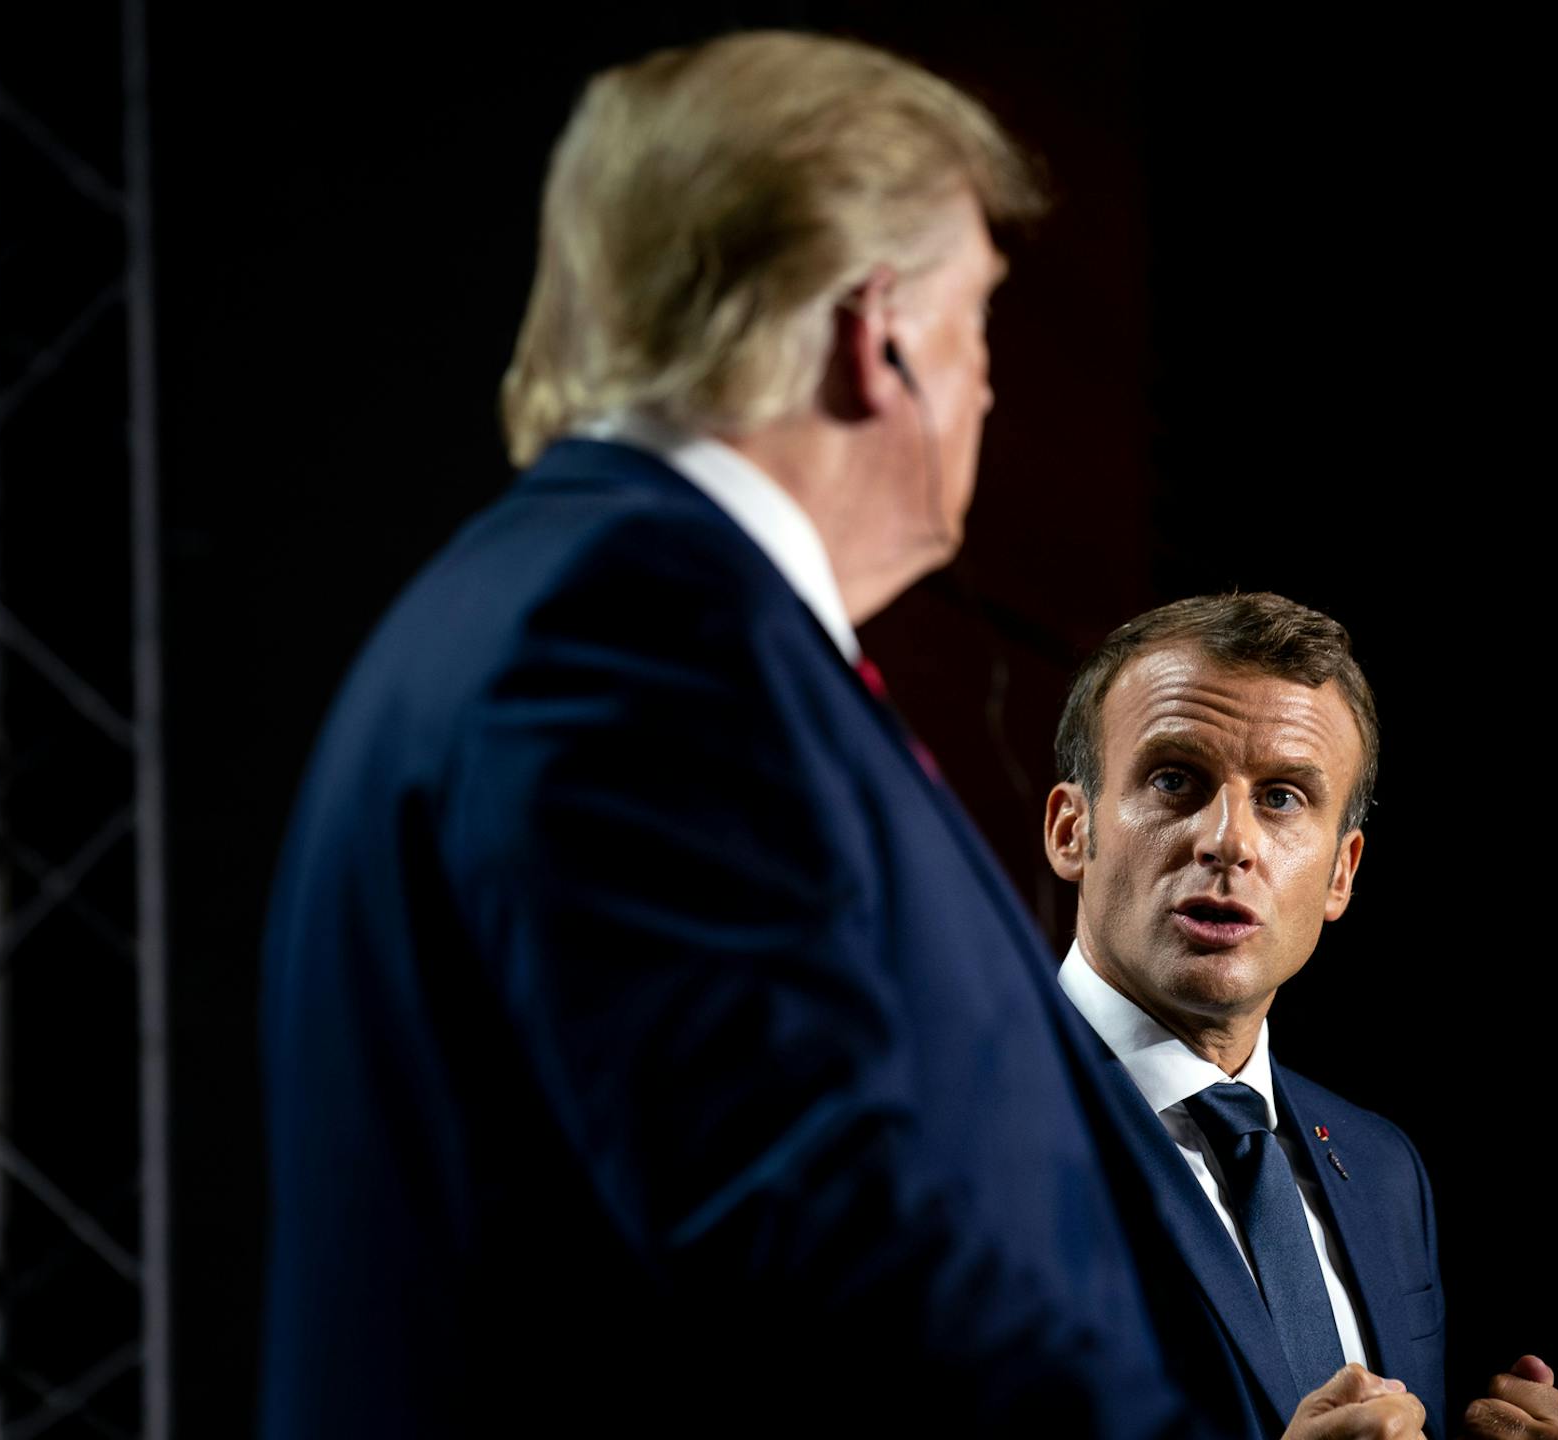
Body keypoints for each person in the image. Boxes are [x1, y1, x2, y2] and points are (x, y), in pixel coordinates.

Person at [259, 31, 1205, 1435]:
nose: (991, 385)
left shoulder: (567, 601)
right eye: (979, 319)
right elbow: (825, 1257)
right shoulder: (636, 638)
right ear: (879, 333)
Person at [1043, 592, 1558, 1440]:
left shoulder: (1382, 1167)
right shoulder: (951, 1119)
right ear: (1071, 829)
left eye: (1282, 797)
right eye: (1174, 779)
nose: (1229, 841)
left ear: (1341, 873)